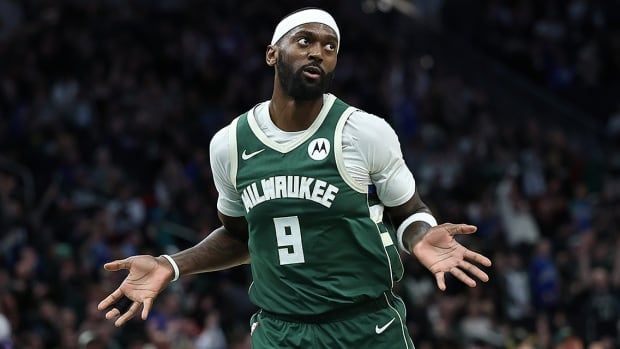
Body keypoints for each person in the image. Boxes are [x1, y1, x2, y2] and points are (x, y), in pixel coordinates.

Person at [97, 8, 492, 348]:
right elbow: (240, 236)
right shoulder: (230, 144)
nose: (318, 52)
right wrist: (172, 265)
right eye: (304, 41)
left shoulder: (364, 132)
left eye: (330, 46)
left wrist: (421, 236)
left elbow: (410, 212)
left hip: (365, 327)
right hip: (279, 332)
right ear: (272, 54)